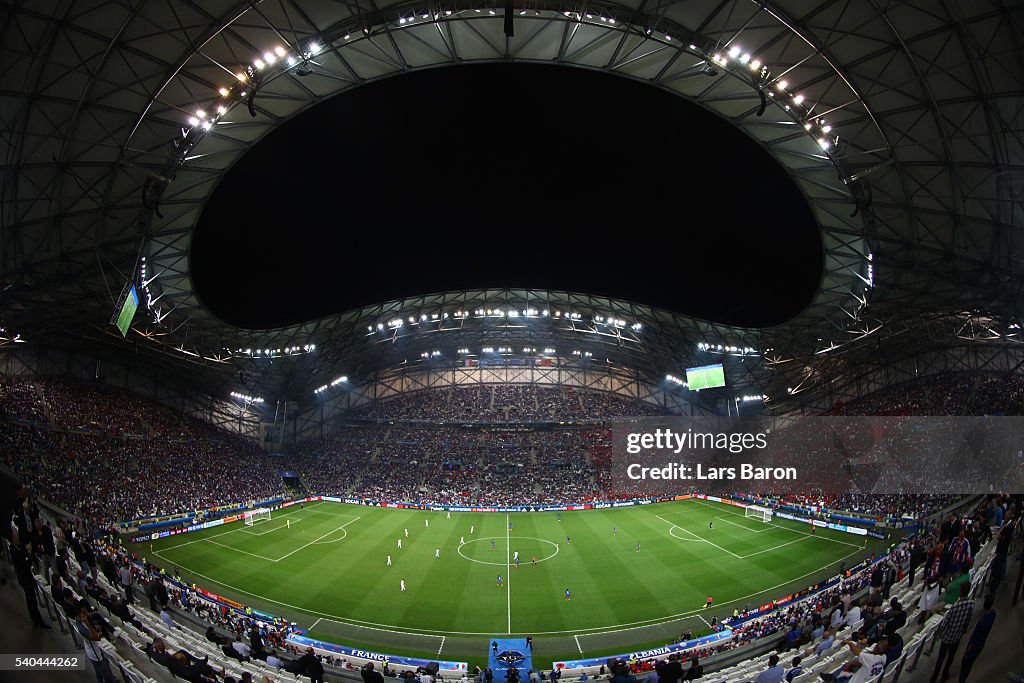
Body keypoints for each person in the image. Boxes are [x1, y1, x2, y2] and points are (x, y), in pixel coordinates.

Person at [931, 583, 974, 683]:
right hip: (958, 635)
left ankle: (934, 677)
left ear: (961, 591)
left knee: (941, 659)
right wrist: (963, 629)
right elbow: (968, 619)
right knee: (950, 657)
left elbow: (945, 623)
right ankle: (944, 675)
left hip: (948, 636)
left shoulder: (955, 607)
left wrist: (939, 633)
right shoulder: (971, 603)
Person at [957, 592, 996, 682]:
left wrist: (967, 652)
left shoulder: (982, 624)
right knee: (969, 665)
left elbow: (974, 640)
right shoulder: (993, 614)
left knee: (966, 665)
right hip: (981, 645)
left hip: (973, 647)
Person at [76, 604, 116, 682]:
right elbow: (97, 638)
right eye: (84, 613)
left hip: (92, 650)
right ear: (79, 615)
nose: (86, 614)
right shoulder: (83, 627)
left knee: (99, 672)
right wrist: (89, 624)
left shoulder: (79, 623)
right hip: (95, 653)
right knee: (106, 675)